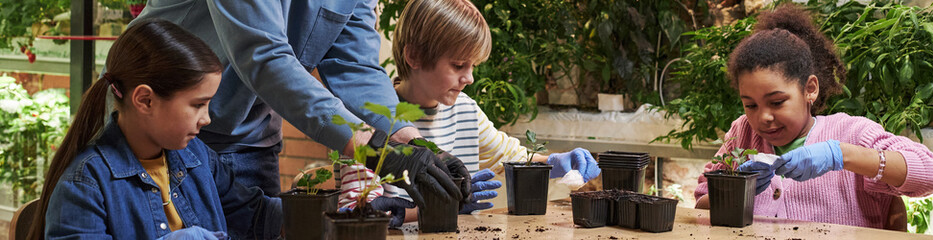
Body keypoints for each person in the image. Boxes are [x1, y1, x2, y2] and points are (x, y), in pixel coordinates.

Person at [129, 0, 464, 208]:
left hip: (250, 140)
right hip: (162, 127)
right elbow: (263, 55)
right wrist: (371, 145)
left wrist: (412, 144)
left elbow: (356, 66)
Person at [338, 0, 602, 226]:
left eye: (473, 65)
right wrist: (435, 207)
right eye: (458, 65)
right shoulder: (369, 120)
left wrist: (557, 163)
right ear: (414, 56)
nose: (470, 77)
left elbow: (512, 157)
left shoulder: (465, 111)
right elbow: (354, 212)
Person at [693, 5, 933, 229]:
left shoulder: (852, 132)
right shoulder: (742, 132)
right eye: (750, 105)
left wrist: (841, 155)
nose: (763, 117)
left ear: (810, 89)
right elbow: (702, 202)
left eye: (777, 102)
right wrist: (735, 192)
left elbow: (931, 174)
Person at [29, 19, 281, 239]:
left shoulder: (198, 156)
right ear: (145, 100)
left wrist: (314, 199)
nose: (206, 119)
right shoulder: (84, 185)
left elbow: (255, 216)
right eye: (198, 105)